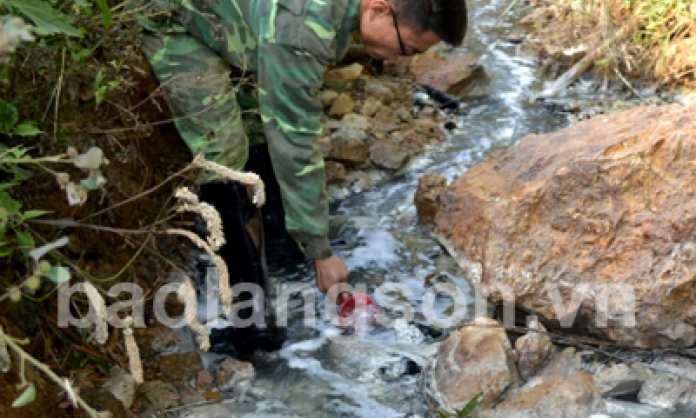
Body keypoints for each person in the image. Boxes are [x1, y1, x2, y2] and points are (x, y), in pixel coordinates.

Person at [139, 0, 467, 353]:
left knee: (257, 120)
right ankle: (248, 317)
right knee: (224, 155)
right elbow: (295, 143)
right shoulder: (303, 31)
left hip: (237, 15)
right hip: (172, 14)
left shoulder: (331, 20)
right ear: (377, 10)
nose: (403, 61)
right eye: (407, 49)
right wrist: (320, 251)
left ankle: (280, 243)